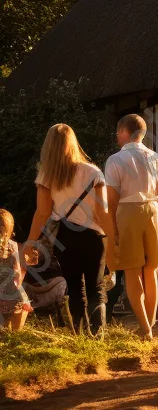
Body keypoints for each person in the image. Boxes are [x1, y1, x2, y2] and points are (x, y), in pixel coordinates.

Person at [25, 124, 115, 335]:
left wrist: (30, 242)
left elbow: (42, 212)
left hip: (64, 237)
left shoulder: (47, 175)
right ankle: (97, 336)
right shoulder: (93, 172)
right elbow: (103, 212)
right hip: (93, 236)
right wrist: (114, 240)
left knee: (75, 288)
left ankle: (81, 336)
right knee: (97, 287)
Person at [104, 114, 158, 339]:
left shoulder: (115, 160)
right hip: (153, 211)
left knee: (132, 272)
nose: (116, 136)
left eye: (117, 131)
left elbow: (111, 201)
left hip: (128, 212)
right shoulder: (156, 158)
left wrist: (111, 230)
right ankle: (149, 324)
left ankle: (145, 327)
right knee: (151, 271)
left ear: (124, 131)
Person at [0, 209, 32, 331]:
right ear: (10, 230)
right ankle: (15, 333)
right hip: (10, 292)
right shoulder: (12, 245)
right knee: (22, 303)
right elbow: (17, 273)